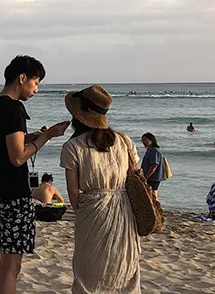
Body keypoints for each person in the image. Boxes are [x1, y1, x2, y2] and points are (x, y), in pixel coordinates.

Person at [0, 55, 69, 294]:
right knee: (11, 266)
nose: (36, 89)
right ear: (22, 78)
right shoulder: (14, 109)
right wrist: (47, 137)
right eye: (36, 82)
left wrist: (29, 139)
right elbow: (17, 158)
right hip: (14, 195)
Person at [60, 84, 141, 293]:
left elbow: (72, 191)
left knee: (88, 271)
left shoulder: (73, 146)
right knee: (124, 267)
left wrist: (84, 210)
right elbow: (134, 176)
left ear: (78, 116)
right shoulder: (125, 141)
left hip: (92, 208)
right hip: (124, 210)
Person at [139, 133, 166, 197]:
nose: (143, 142)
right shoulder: (149, 150)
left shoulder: (155, 151)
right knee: (149, 193)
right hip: (150, 176)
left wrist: (146, 177)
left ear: (151, 140)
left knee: (153, 193)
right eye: (142, 140)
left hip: (154, 177)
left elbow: (154, 165)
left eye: (145, 140)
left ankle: (155, 206)